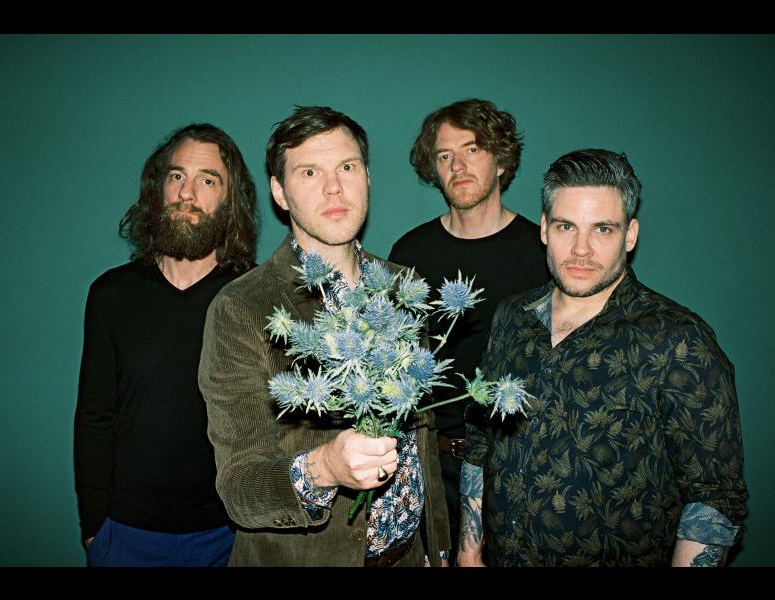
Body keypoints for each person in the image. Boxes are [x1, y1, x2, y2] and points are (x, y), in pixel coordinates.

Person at [458, 148, 748, 567]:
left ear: (630, 235)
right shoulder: (512, 317)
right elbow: (480, 444)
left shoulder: (677, 340)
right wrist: (468, 551)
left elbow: (715, 497)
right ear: (544, 228)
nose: (581, 249)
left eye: (603, 229)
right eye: (566, 226)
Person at [198, 106, 449, 567]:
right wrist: (325, 468)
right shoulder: (241, 307)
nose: (334, 187)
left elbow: (421, 442)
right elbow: (239, 489)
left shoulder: (404, 287)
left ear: (367, 177)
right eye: (310, 172)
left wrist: (438, 547)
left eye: (347, 167)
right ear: (280, 192)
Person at [74, 123, 258, 566]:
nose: (186, 193)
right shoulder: (112, 295)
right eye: (177, 176)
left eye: (207, 180)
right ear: (158, 188)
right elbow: (95, 417)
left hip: (228, 535)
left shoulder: (254, 296)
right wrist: (94, 528)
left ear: (230, 201)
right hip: (125, 536)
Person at [388, 98, 549, 561]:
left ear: (501, 161)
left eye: (472, 149)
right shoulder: (411, 253)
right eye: (444, 155)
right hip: (432, 466)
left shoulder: (541, 253)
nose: (457, 166)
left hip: (518, 466)